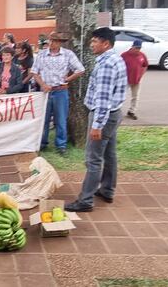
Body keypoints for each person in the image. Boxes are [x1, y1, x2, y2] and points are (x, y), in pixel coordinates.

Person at [65, 27, 127, 213]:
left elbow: (103, 97)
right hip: (113, 113)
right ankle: (107, 190)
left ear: (105, 43)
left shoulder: (107, 64)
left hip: (104, 116)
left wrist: (97, 125)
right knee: (109, 155)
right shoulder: (116, 58)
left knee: (93, 159)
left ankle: (85, 200)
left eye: (94, 41)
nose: (91, 44)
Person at [31, 32, 85, 156]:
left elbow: (80, 69)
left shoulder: (67, 54)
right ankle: (42, 143)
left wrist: (68, 79)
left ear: (60, 42)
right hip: (46, 91)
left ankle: (61, 145)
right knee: (43, 119)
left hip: (60, 90)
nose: (51, 43)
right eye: (50, 40)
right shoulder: (42, 54)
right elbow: (34, 72)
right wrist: (42, 85)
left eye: (55, 41)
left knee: (61, 119)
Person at [121, 40, 149, 120]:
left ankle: (131, 111)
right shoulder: (124, 55)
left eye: (139, 48)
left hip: (137, 80)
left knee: (135, 97)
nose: (138, 50)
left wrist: (141, 74)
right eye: (136, 47)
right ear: (132, 46)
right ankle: (116, 112)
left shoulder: (142, 55)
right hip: (125, 80)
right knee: (121, 96)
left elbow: (145, 65)